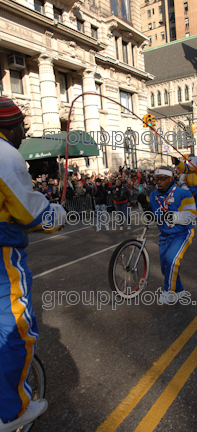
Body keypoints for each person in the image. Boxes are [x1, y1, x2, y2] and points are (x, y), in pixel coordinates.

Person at [0, 97, 66, 432]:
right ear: (7, 126)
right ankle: (11, 413)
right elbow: (29, 212)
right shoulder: (5, 155)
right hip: (2, 256)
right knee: (16, 331)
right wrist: (57, 214)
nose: (24, 134)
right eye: (20, 126)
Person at [138, 166, 197, 305]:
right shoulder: (153, 195)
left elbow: (192, 216)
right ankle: (180, 291)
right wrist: (144, 205)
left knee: (171, 260)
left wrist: (171, 215)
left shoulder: (184, 193)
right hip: (164, 234)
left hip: (182, 233)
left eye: (163, 179)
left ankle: (169, 292)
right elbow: (151, 216)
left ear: (171, 179)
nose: (159, 182)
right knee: (165, 267)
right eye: (157, 179)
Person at [178, 154, 197, 242]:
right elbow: (181, 181)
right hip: (189, 194)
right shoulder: (186, 171)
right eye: (189, 161)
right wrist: (187, 191)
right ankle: (187, 233)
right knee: (187, 214)